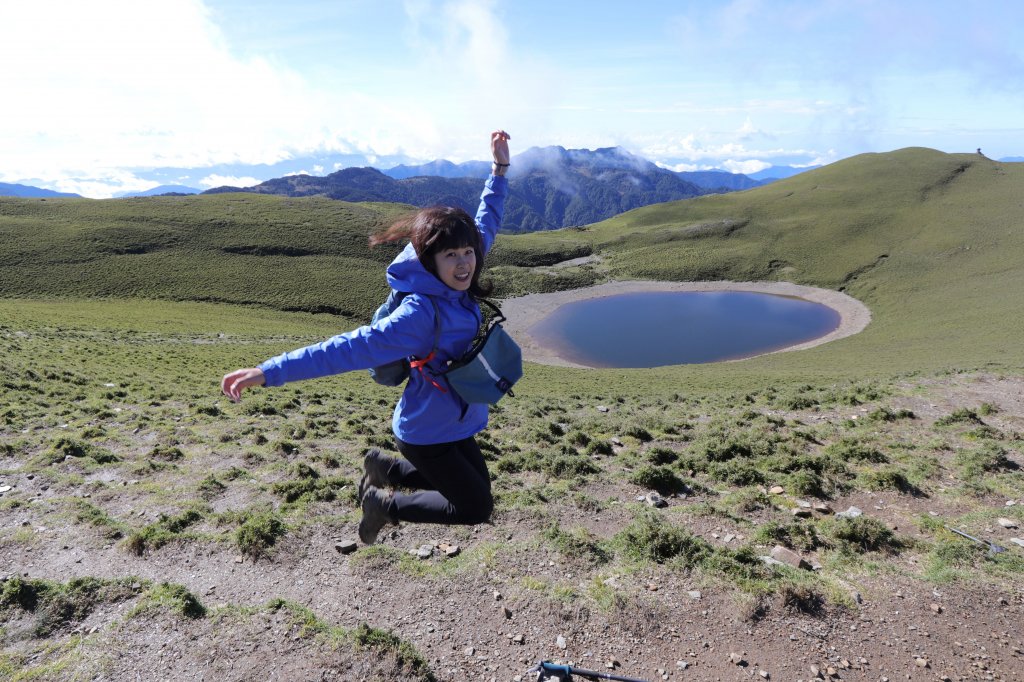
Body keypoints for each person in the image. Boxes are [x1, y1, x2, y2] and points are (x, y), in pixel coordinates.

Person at [221, 130, 511, 545]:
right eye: (451, 255)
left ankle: (382, 467)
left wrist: (499, 169)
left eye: (468, 253)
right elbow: (346, 349)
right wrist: (268, 372)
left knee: (475, 488)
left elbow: (487, 221)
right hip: (427, 430)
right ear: (430, 260)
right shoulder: (419, 315)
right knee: (475, 507)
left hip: (456, 419)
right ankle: (383, 505)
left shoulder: (463, 269)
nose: (465, 263)